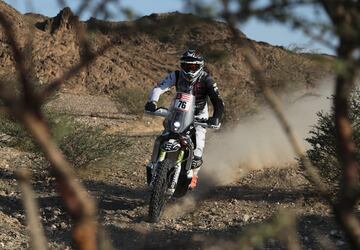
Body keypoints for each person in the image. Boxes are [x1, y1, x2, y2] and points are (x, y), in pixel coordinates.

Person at [144, 49, 224, 189]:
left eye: (193, 66)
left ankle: (194, 174)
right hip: (177, 112)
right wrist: (152, 101)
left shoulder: (207, 79)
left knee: (198, 144)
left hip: (199, 115)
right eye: (186, 66)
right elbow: (159, 88)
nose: (189, 69)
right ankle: (154, 163)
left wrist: (216, 117)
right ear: (182, 65)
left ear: (200, 66)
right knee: (164, 135)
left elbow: (218, 101)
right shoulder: (176, 75)